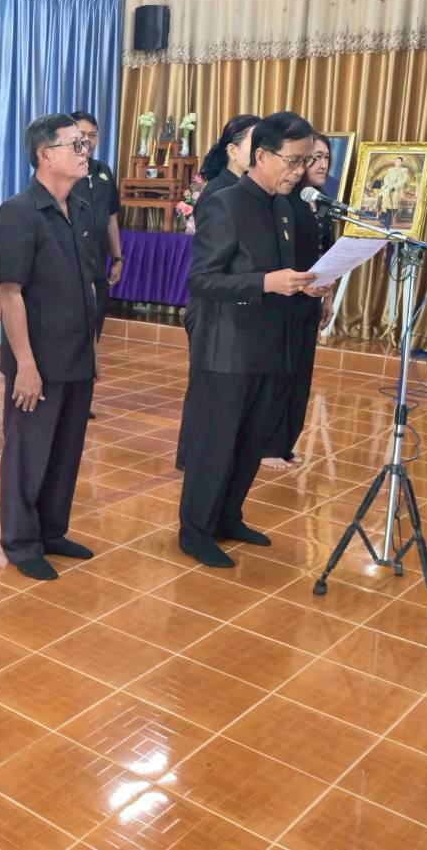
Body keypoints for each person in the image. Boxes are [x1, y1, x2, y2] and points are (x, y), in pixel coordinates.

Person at [178, 111, 319, 569]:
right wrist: (266, 283)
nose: (299, 172)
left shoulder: (284, 207)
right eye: (293, 161)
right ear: (261, 156)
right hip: (227, 349)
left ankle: (228, 517)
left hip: (271, 344)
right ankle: (195, 532)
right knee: (215, 445)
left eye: (305, 162)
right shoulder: (224, 203)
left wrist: (306, 285)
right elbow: (202, 281)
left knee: (251, 441)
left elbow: (281, 274)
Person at [0, 114, 97, 581]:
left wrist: (92, 351)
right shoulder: (18, 211)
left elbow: (86, 283)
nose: (84, 151)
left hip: (77, 354)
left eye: (85, 143)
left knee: (66, 450)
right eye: (74, 144)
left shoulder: (81, 207)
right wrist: (25, 366)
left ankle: (52, 530)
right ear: (44, 155)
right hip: (39, 359)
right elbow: (10, 292)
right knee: (29, 454)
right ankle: (21, 541)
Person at [175, 113, 261, 471]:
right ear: (232, 150)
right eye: (255, 144)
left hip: (236, 303)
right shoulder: (219, 192)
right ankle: (193, 459)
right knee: (205, 388)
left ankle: (212, 457)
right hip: (211, 304)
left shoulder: (252, 190)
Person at [262, 132, 337, 469]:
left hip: (312, 298)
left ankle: (286, 442)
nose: (321, 165)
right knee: (281, 372)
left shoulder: (322, 203)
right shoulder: (285, 202)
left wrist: (327, 297)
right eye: (314, 158)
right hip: (286, 297)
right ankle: (267, 445)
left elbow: (327, 254)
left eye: (326, 158)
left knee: (302, 374)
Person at [70, 111, 124, 340]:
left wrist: (118, 259)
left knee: (94, 332)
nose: (88, 140)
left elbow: (111, 218)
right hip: (70, 267)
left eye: (93, 135)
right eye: (82, 134)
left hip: (98, 267)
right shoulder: (63, 172)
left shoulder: (103, 171)